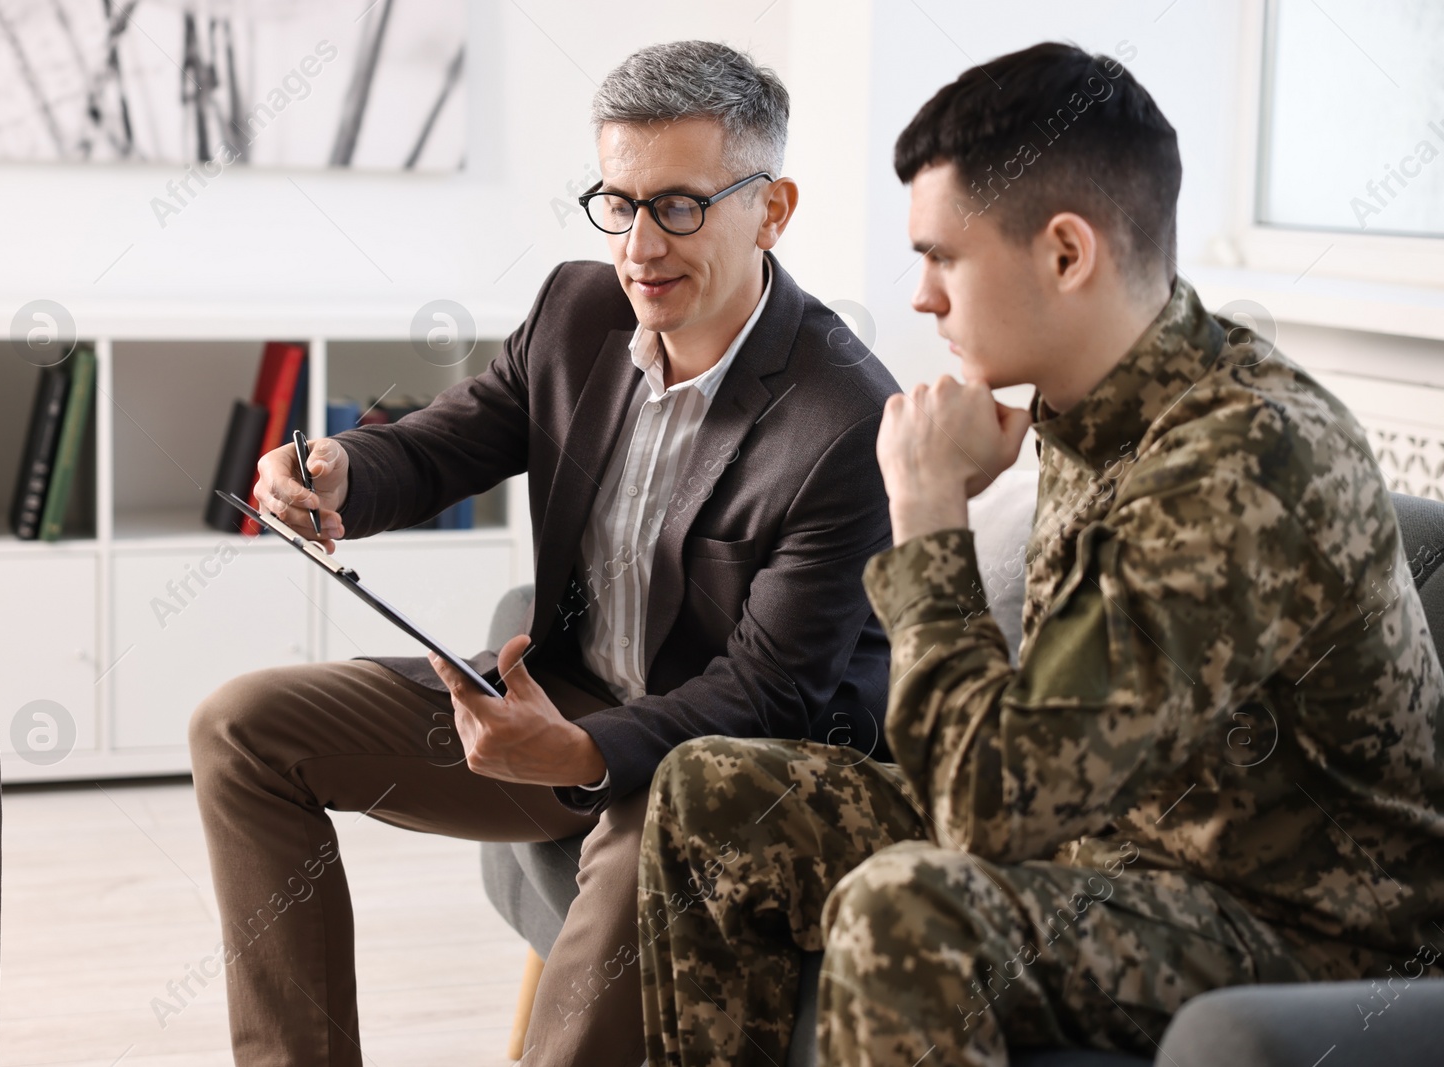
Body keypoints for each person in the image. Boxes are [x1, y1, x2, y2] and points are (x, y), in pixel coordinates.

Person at [638, 41, 1444, 1066]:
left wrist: (925, 505)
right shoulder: (1086, 402)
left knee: (907, 909)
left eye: (943, 256)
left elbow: (987, 809)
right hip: (1116, 848)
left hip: (1307, 932)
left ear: (1066, 253)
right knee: (710, 793)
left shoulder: (1243, 457)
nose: (921, 296)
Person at [187, 40, 899, 1067]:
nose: (640, 245)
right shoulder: (579, 310)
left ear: (772, 207)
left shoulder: (841, 417)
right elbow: (452, 436)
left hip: (719, 768)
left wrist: (579, 752)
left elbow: (770, 694)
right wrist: (345, 468)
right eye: (618, 201)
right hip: (562, 699)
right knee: (240, 728)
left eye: (679, 205)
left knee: (650, 819)